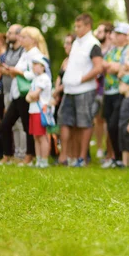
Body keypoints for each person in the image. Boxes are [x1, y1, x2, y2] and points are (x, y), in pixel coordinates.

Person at [58, 13, 103, 168]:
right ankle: (65, 156)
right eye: (75, 26)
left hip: (85, 90)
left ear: (88, 26)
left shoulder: (93, 44)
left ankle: (82, 158)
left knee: (84, 122)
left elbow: (98, 67)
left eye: (79, 26)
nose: (76, 29)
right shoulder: (77, 42)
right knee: (65, 120)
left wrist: (81, 79)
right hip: (69, 89)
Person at [0, 26, 48, 166]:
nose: (21, 39)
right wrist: (10, 71)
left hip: (27, 94)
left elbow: (35, 74)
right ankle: (7, 155)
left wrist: (17, 72)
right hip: (17, 93)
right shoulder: (25, 53)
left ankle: (28, 157)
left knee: (27, 127)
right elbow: (19, 71)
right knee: (5, 124)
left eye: (24, 37)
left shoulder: (36, 55)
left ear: (32, 40)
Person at [101, 23, 129, 168]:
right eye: (115, 33)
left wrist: (112, 67)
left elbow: (119, 68)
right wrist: (111, 66)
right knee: (109, 124)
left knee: (115, 124)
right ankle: (115, 157)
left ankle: (121, 157)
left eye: (119, 34)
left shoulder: (127, 50)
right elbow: (104, 66)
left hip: (120, 91)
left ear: (126, 36)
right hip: (108, 91)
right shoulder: (111, 50)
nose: (115, 36)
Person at [2, 25, 26, 160]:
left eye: (10, 32)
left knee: (20, 123)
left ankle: (23, 152)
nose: (7, 35)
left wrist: (10, 70)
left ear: (17, 35)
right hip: (7, 91)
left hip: (20, 92)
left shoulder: (23, 51)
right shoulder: (9, 50)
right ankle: (16, 151)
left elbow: (19, 71)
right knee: (11, 124)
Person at [25, 56, 52, 168]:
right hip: (33, 110)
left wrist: (32, 95)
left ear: (43, 66)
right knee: (36, 136)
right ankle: (39, 159)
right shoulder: (36, 79)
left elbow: (35, 94)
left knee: (42, 136)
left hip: (40, 110)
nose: (34, 66)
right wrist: (31, 95)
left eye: (36, 64)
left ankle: (44, 160)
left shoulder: (44, 78)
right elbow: (28, 97)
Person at [93, 22, 114, 160]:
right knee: (98, 119)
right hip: (97, 88)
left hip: (109, 87)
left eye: (101, 31)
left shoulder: (112, 50)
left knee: (108, 120)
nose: (98, 33)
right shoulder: (97, 49)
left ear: (108, 33)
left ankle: (109, 150)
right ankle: (99, 147)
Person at [54, 33, 76, 165]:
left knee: (69, 125)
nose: (65, 45)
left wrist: (57, 91)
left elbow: (68, 79)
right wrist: (56, 92)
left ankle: (69, 155)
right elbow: (59, 76)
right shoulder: (65, 60)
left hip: (68, 94)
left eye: (68, 43)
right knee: (62, 124)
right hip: (60, 95)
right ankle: (63, 154)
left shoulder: (75, 61)